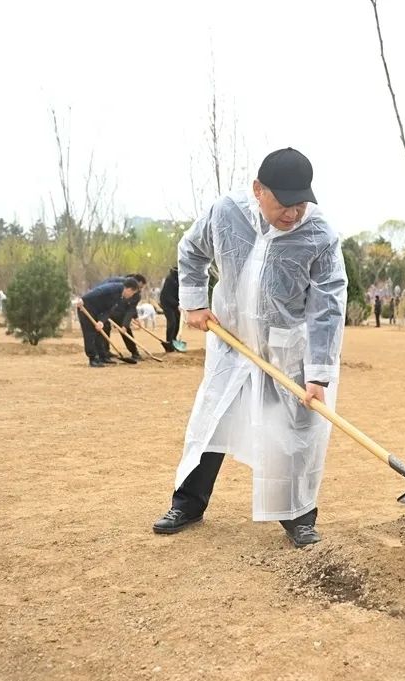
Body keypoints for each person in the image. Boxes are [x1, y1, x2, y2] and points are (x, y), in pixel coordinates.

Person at [152, 147, 347, 548]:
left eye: (300, 203)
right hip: (232, 343)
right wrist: (194, 301)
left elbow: (327, 307)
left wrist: (318, 374)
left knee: (294, 433)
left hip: (287, 352)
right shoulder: (226, 212)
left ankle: (298, 517)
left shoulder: (320, 235)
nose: (293, 213)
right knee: (211, 421)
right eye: (284, 203)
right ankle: (187, 504)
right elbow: (192, 250)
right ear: (259, 189)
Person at [77, 277, 140, 367]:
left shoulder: (120, 296)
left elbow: (109, 310)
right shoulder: (113, 288)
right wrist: (83, 299)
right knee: (90, 333)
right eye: (133, 293)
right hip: (85, 307)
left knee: (100, 333)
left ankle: (102, 357)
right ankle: (93, 358)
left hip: (98, 311)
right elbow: (97, 291)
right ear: (129, 289)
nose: (132, 296)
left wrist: (101, 321)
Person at [159, 266, 181, 352]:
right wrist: (177, 304)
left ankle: (174, 340)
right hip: (167, 304)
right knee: (172, 322)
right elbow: (167, 295)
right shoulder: (170, 280)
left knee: (178, 321)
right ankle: (169, 341)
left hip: (174, 303)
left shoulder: (179, 280)